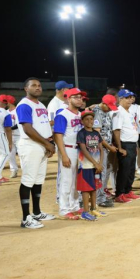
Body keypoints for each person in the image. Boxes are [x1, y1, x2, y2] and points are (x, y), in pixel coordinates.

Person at [15, 78, 56, 229]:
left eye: (39, 85)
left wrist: (49, 144)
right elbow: (28, 129)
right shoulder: (24, 105)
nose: (38, 88)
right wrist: (46, 144)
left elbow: (43, 126)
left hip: (42, 146)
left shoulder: (40, 104)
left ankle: (37, 212)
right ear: (26, 88)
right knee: (28, 179)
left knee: (38, 180)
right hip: (30, 145)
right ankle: (26, 218)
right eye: (33, 85)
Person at [53, 88, 83, 219]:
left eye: (80, 97)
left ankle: (74, 205)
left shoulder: (80, 114)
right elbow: (58, 136)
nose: (79, 99)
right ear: (68, 99)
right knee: (66, 179)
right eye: (75, 97)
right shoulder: (63, 114)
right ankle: (64, 209)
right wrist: (64, 155)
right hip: (68, 149)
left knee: (76, 180)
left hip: (78, 150)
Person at [76, 110, 107, 221]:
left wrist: (100, 163)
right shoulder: (81, 133)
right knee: (86, 189)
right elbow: (83, 150)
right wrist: (95, 163)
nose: (90, 121)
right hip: (86, 166)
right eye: (87, 119)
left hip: (96, 166)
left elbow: (101, 148)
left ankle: (94, 208)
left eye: (91, 119)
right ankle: (85, 211)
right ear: (82, 121)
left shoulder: (96, 133)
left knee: (94, 187)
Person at [112, 89, 140, 203]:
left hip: (132, 144)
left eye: (131, 97)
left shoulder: (128, 112)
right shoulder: (118, 112)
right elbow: (116, 131)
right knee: (124, 170)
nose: (130, 100)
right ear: (120, 99)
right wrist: (120, 147)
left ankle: (128, 191)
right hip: (124, 144)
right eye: (127, 97)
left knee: (130, 170)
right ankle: (120, 193)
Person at [92, 94, 119, 207]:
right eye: (108, 106)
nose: (109, 108)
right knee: (99, 173)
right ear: (103, 103)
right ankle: (99, 199)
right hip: (99, 148)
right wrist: (109, 147)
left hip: (105, 147)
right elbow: (97, 133)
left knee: (103, 172)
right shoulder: (98, 112)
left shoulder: (106, 112)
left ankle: (101, 196)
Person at [6, 95, 20, 178]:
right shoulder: (6, 112)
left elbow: (18, 124)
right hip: (10, 136)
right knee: (10, 154)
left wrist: (9, 129)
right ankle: (13, 170)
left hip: (19, 136)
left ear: (9, 102)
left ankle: (26, 171)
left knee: (22, 154)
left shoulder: (17, 111)